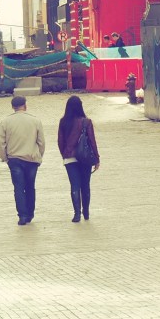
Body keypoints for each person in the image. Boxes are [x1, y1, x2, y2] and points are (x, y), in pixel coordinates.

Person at [0, 95, 45, 225]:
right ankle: (30, 214)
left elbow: (0, 144)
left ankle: (22, 216)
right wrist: (39, 156)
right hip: (32, 159)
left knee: (18, 188)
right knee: (30, 187)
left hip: (15, 160)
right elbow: (41, 143)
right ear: (25, 105)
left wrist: (5, 158)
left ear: (13, 107)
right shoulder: (35, 121)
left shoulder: (5, 122)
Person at [57, 95, 100, 223]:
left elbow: (60, 141)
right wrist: (97, 158)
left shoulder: (63, 122)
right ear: (80, 107)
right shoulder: (86, 122)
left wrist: (65, 154)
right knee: (85, 185)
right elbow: (92, 141)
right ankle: (86, 212)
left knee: (74, 185)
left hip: (69, 158)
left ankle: (77, 214)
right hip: (85, 157)